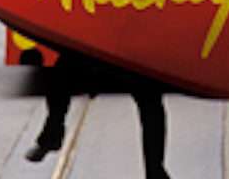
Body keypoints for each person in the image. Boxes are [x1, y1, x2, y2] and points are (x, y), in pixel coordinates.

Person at [24, 50, 170, 179]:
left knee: (150, 99)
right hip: (96, 36)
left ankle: (155, 171)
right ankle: (52, 134)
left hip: (130, 42)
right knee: (59, 75)